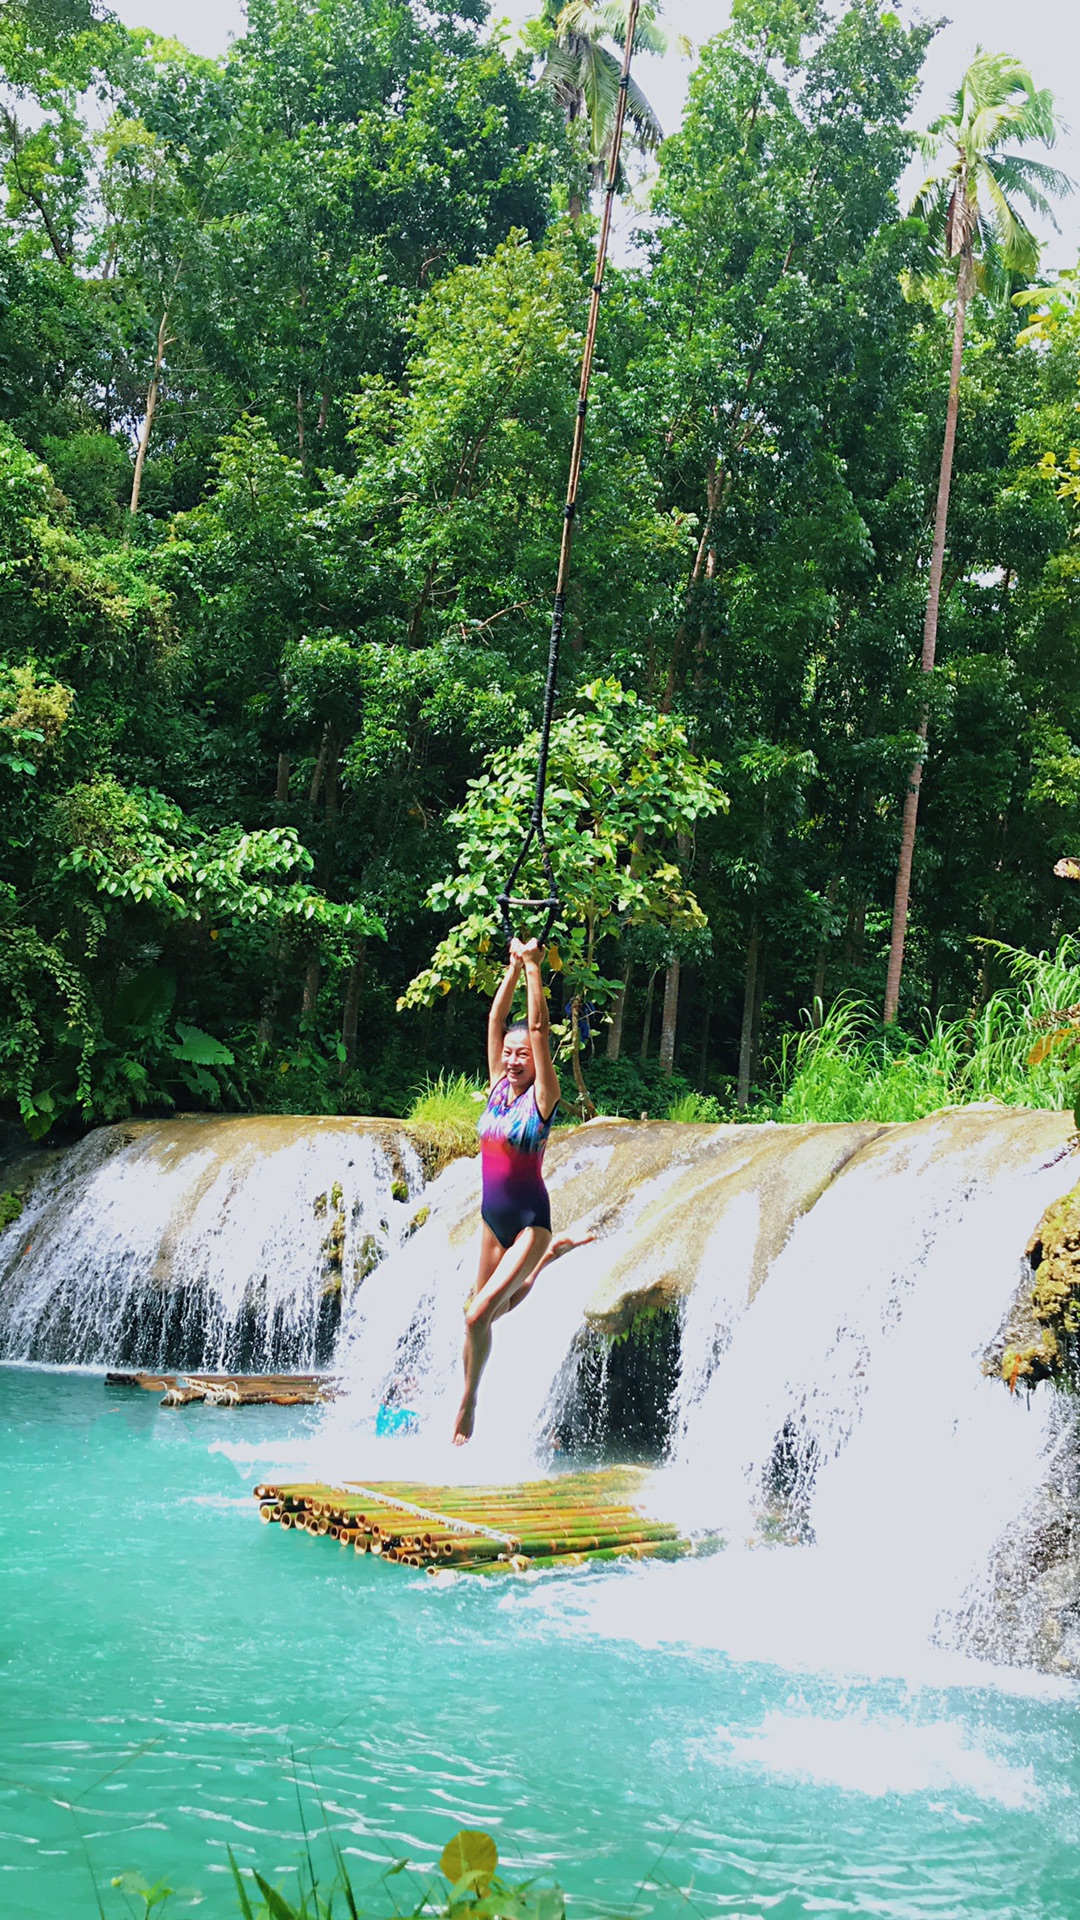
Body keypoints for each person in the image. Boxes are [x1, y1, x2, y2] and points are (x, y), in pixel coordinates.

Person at [453, 936, 592, 1444]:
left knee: (475, 1316)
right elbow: (497, 1023)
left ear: (535, 1062)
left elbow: (534, 1028)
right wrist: (510, 968)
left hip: (530, 1221)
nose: (513, 1060)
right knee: (497, 1311)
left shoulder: (543, 1098)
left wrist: (534, 968)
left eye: (521, 1055)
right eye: (508, 1054)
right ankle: (551, 1259)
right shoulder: (495, 1086)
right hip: (491, 1220)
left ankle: (468, 1405)